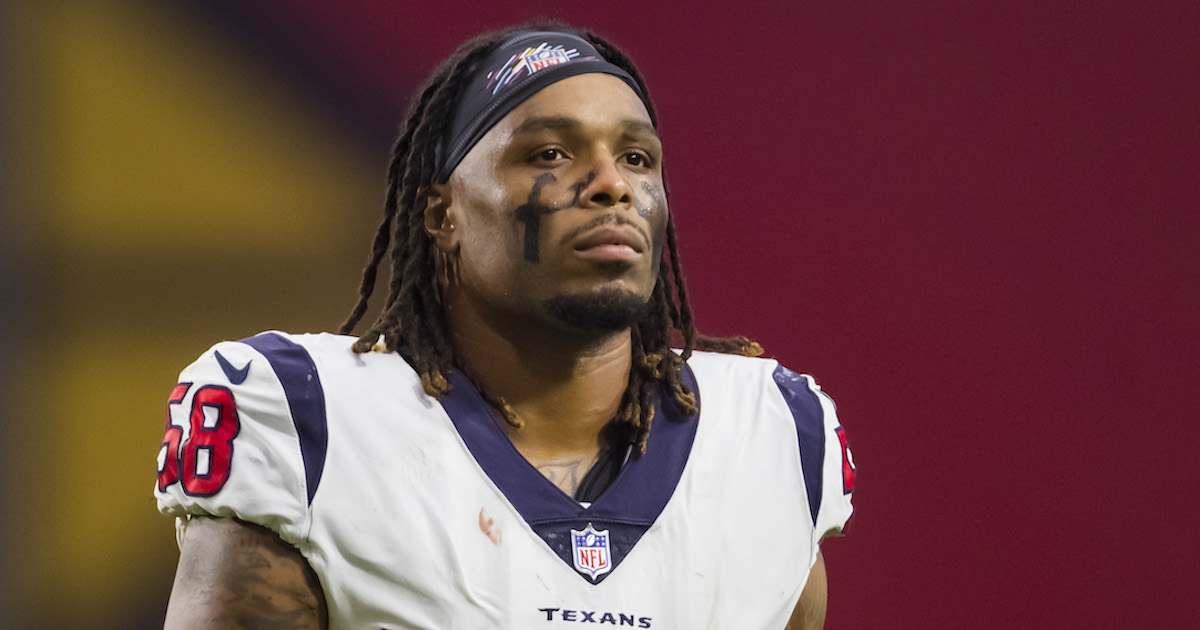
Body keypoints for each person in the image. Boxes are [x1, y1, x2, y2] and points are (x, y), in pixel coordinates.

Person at [154, 24, 856, 630]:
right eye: (549, 153)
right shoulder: (310, 419)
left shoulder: (772, 434)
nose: (612, 184)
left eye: (637, 157)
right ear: (441, 215)